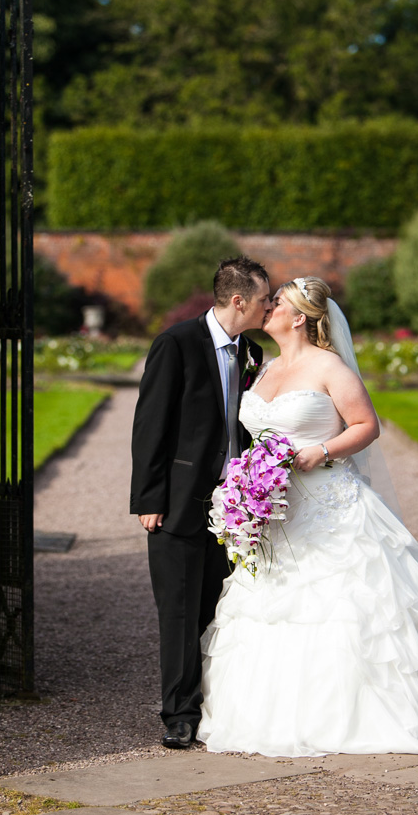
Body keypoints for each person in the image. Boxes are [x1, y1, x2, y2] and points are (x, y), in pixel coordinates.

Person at [198, 276, 418, 757]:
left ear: (300, 316)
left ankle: (361, 716)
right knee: (273, 606)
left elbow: (367, 425)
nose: (267, 308)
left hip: (328, 505)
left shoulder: (329, 367)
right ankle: (273, 714)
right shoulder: (261, 368)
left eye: (276, 302)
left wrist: (320, 451)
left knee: (345, 608)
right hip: (276, 510)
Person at [130, 256, 270, 749]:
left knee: (219, 608)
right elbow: (150, 425)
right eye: (263, 299)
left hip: (234, 508)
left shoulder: (251, 351)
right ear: (238, 301)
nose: (269, 305)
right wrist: (149, 498)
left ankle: (217, 705)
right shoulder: (176, 344)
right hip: (179, 503)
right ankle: (179, 714)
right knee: (179, 612)